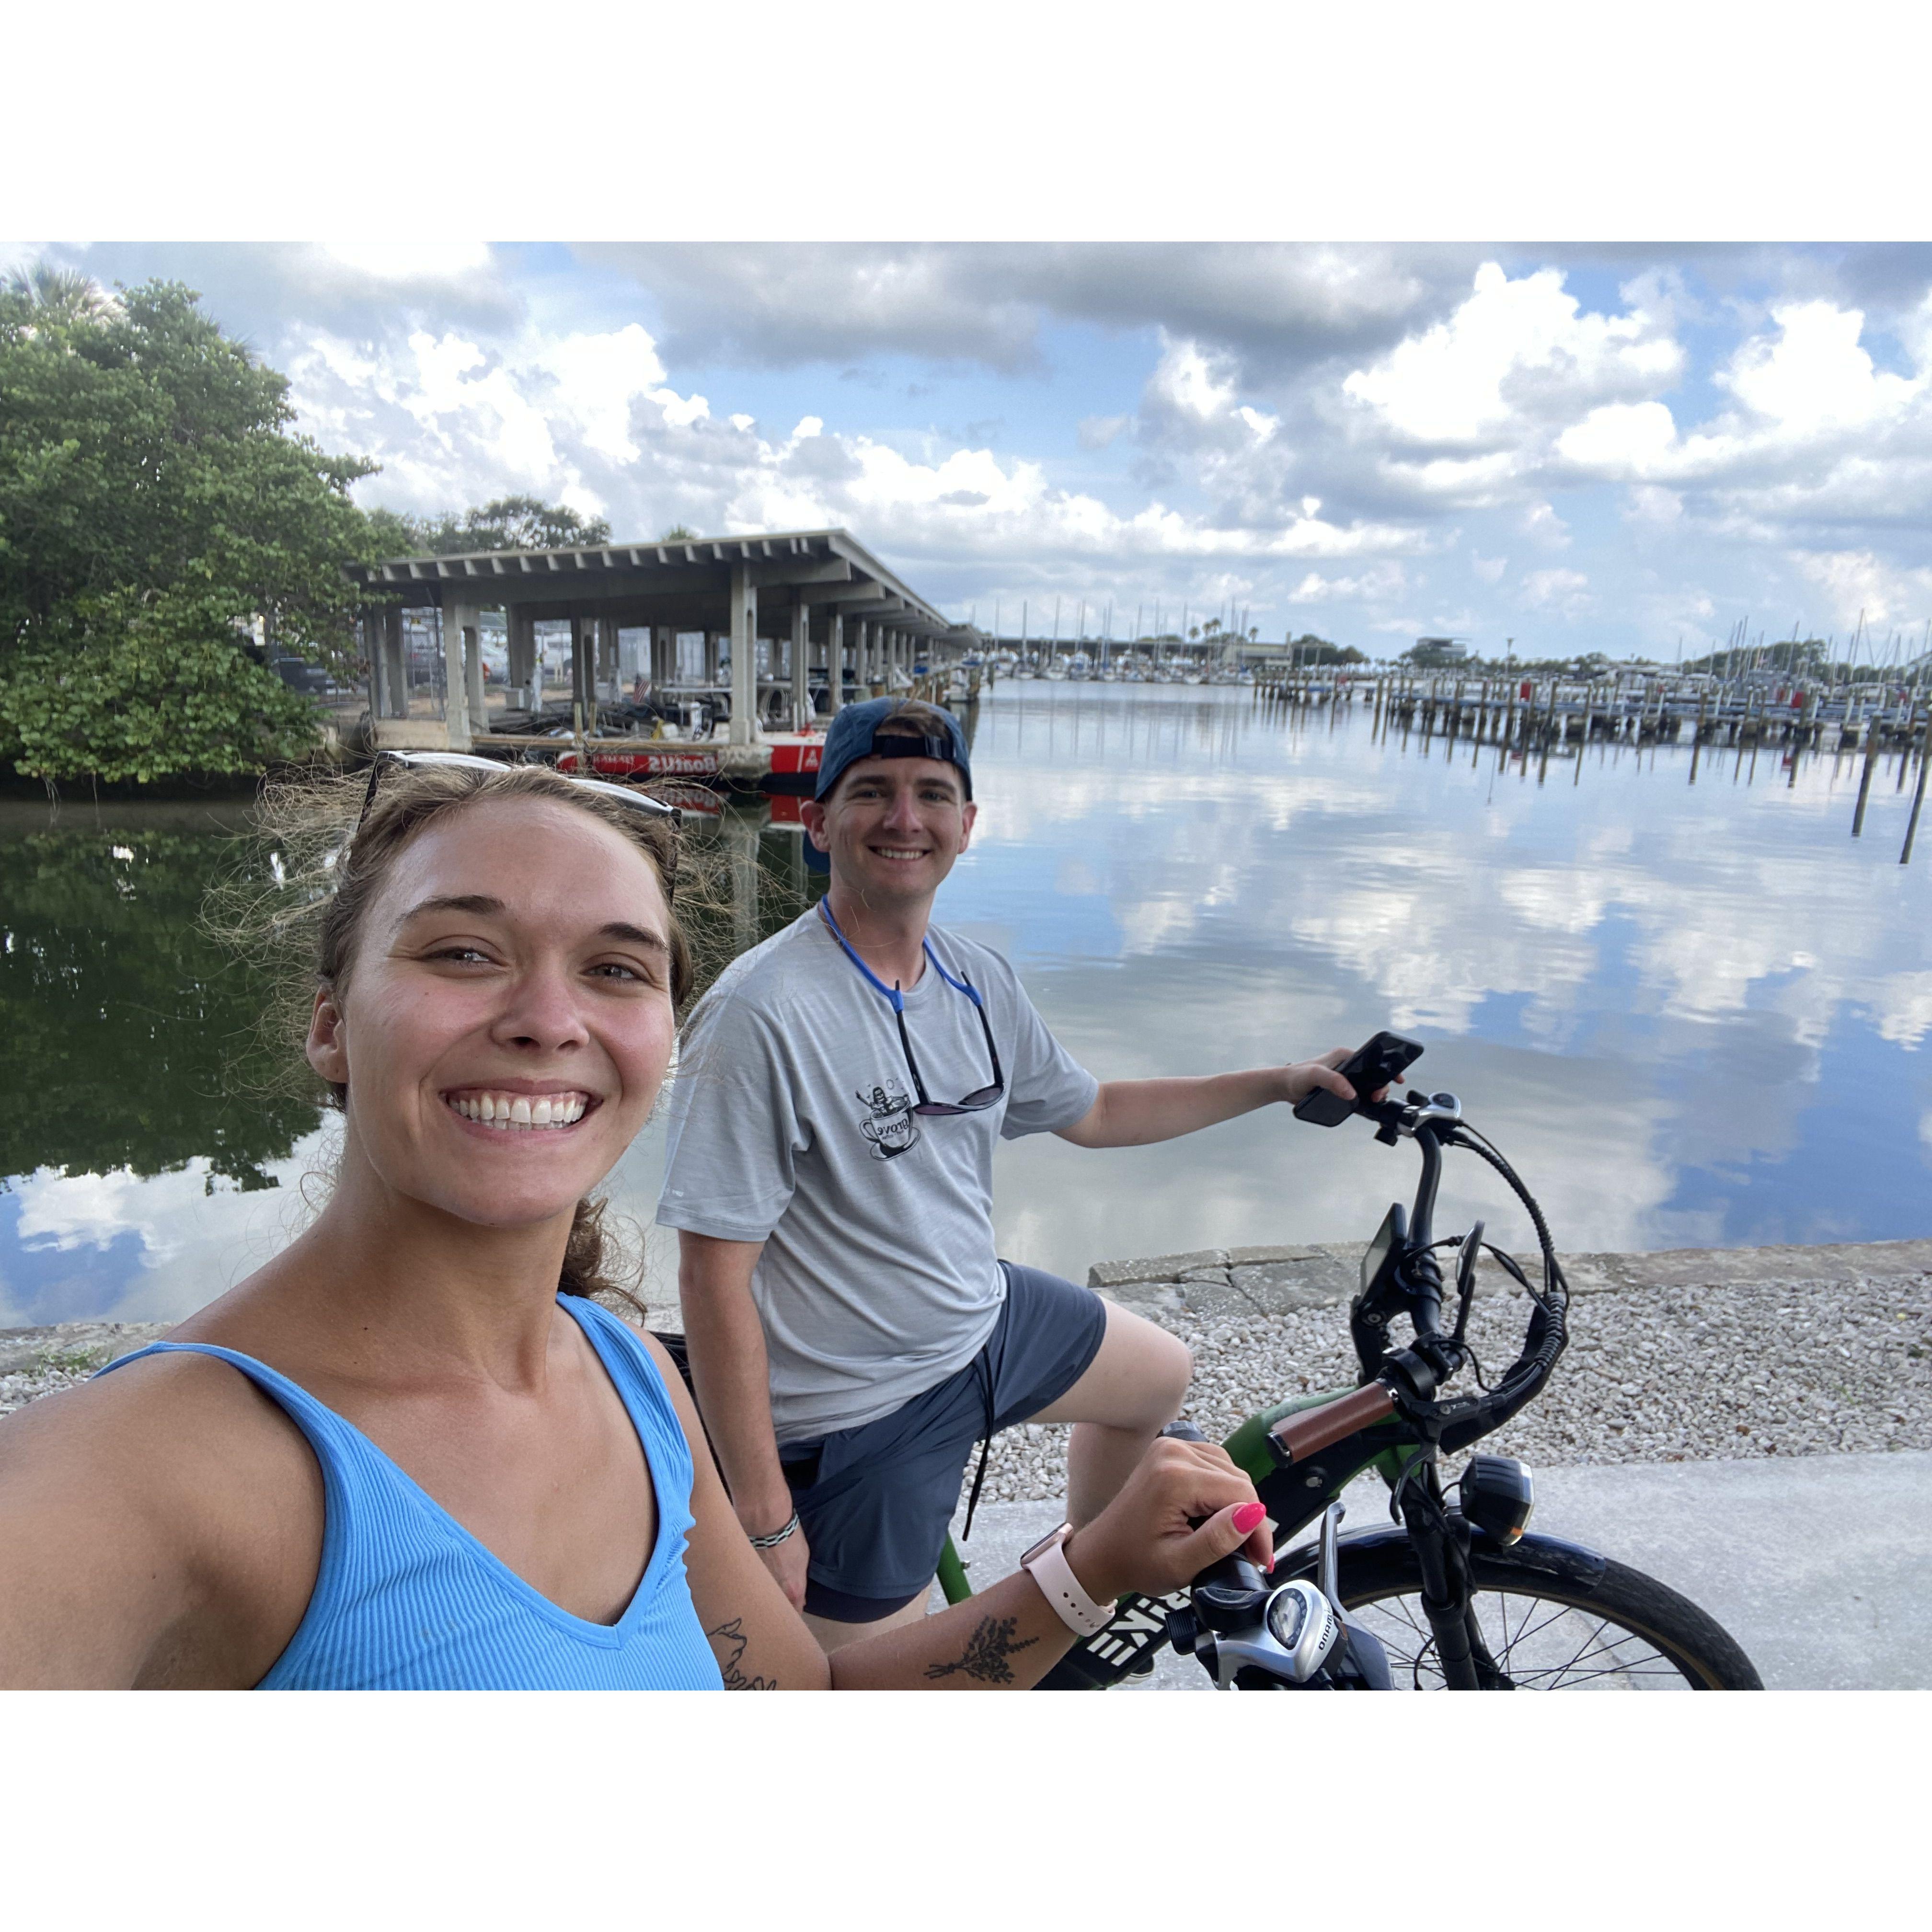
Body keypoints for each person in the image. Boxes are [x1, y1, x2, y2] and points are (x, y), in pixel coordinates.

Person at [0, 754, 1272, 1690]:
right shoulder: (129, 1480)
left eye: (615, 970)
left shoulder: (629, 1381)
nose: (549, 1019)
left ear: (661, 1036)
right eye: (461, 952)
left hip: (969, 1320)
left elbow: (805, 1712)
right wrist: (777, 1517)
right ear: (332, 1023)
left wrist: (1090, 1567)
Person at [661, 698, 1369, 1650]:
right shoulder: (761, 1013)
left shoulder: (976, 979)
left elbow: (1098, 1113)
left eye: (932, 795)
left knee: (1159, 1375)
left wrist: (1280, 1084)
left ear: (967, 826)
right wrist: (767, 1511)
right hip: (864, 1399)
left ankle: (1091, 1580)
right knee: (868, 1696)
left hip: (980, 1316)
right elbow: (713, 1275)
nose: (903, 819)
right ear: (817, 823)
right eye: (870, 793)